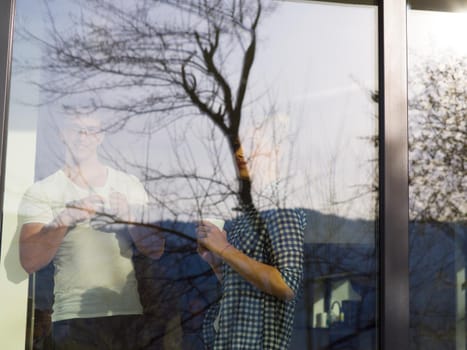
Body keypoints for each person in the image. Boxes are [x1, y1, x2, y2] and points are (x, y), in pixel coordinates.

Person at [18, 113, 165, 349]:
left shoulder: (128, 184)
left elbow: (156, 249)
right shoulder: (43, 190)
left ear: (101, 137)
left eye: (91, 130)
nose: (83, 137)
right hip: (71, 319)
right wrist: (66, 217)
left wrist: (129, 216)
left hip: (125, 316)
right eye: (76, 130)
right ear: (62, 134)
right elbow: (29, 261)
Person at [196, 206, 306, 349]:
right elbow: (246, 290)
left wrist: (223, 248)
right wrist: (216, 262)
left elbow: (287, 285)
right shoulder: (245, 217)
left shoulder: (282, 211)